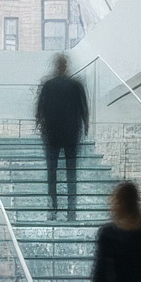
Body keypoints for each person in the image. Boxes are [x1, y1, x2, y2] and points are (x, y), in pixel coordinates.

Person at [35, 53, 89, 220]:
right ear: (65, 66)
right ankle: (70, 209)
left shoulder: (48, 85)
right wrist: (85, 127)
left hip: (52, 135)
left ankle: (53, 208)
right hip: (71, 134)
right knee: (70, 173)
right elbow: (83, 108)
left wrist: (40, 126)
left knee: (52, 172)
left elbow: (40, 110)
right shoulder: (75, 85)